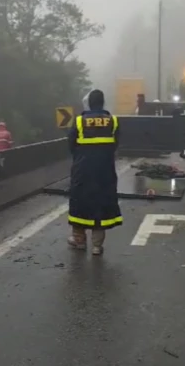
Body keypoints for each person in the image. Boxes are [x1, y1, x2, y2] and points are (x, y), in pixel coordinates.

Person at [67, 89, 121, 256]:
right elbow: (115, 145)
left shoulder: (78, 121)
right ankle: (97, 246)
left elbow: (71, 145)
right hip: (105, 170)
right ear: (102, 102)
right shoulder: (113, 121)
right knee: (101, 203)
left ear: (89, 103)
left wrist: (81, 158)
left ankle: (79, 240)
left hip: (83, 170)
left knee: (80, 202)